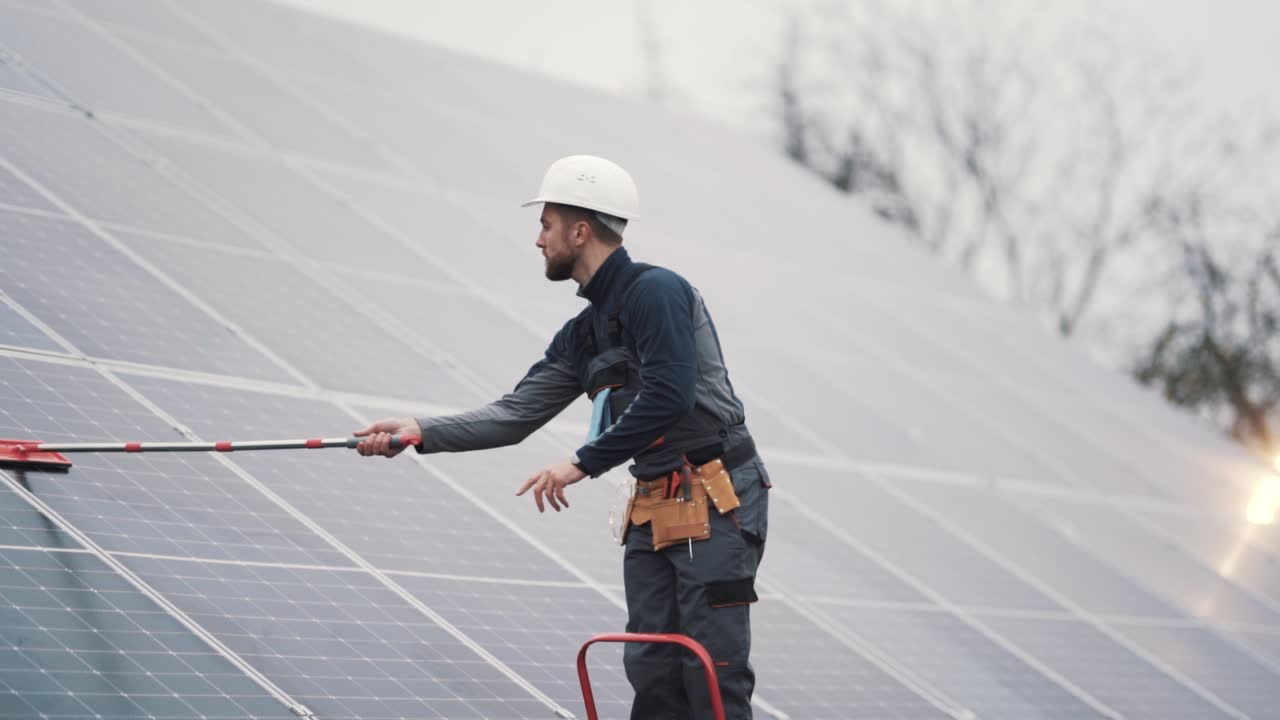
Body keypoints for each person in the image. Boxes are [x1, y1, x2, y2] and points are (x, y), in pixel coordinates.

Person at [354, 155, 770, 719]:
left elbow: (670, 393)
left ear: (581, 231)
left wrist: (581, 462)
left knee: (709, 670)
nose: (538, 240)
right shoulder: (585, 332)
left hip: (718, 493)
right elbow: (515, 414)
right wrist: (420, 432)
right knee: (651, 668)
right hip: (656, 501)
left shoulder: (658, 292)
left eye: (546, 224)